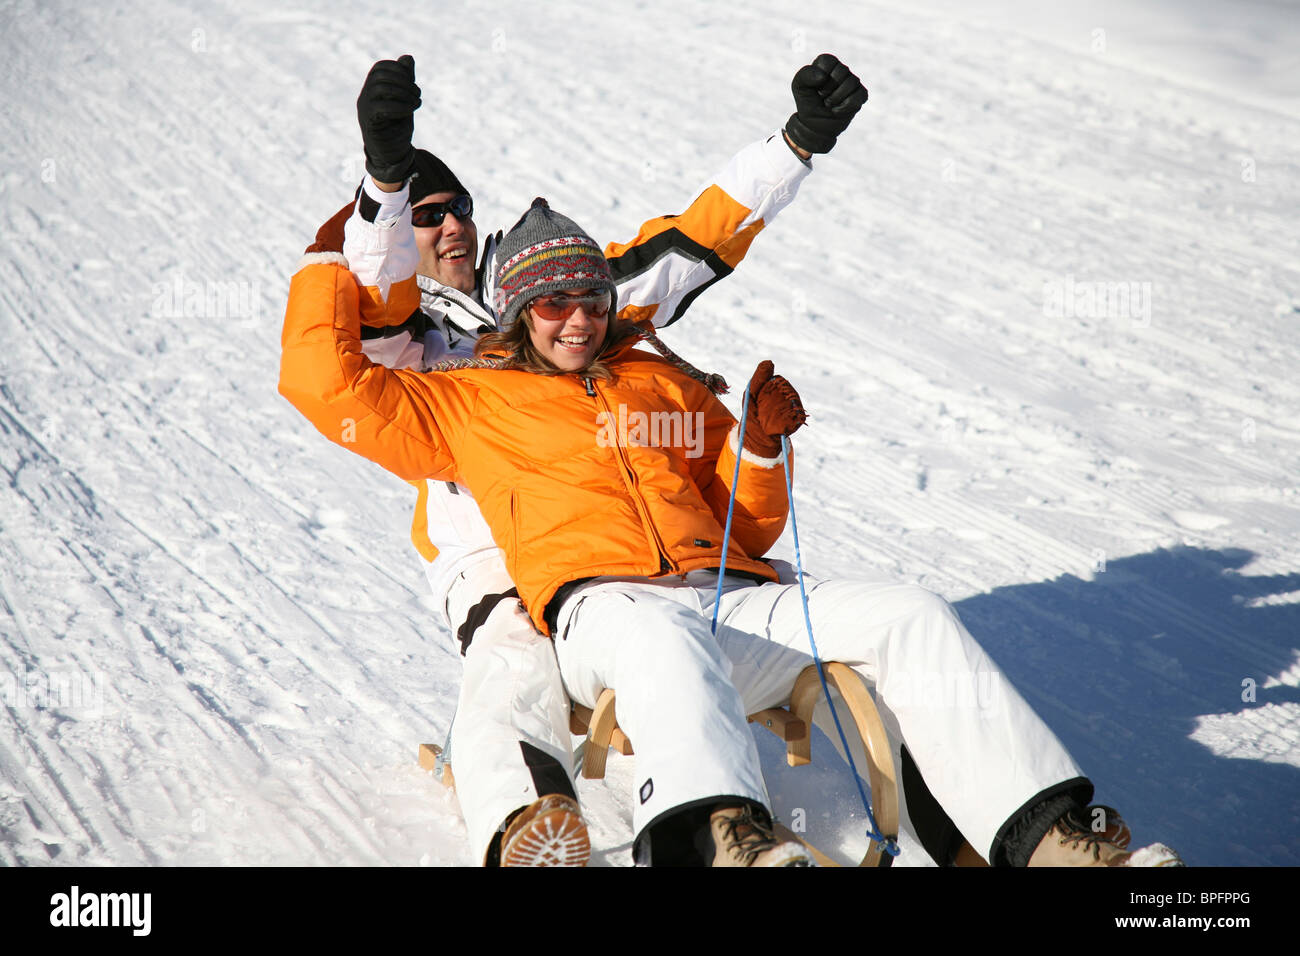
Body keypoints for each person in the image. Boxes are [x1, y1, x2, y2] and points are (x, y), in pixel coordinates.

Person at [279, 194, 1184, 868]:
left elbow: (742, 523)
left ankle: (1042, 836)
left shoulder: (658, 385)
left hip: (730, 597)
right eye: (553, 303)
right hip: (605, 614)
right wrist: (331, 260)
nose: (578, 318)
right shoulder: (466, 401)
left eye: (591, 298)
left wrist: (753, 447)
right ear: (519, 313)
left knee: (909, 612)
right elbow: (327, 388)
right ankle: (718, 840)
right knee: (658, 633)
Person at [292, 53, 868, 865]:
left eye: (457, 207)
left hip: (599, 530)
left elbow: (687, 245)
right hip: (490, 553)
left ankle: (706, 786)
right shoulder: (404, 336)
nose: (450, 224)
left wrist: (795, 144)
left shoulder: (543, 290)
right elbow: (367, 285)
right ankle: (527, 819)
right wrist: (383, 184)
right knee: (514, 661)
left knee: (656, 627)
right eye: (427, 216)